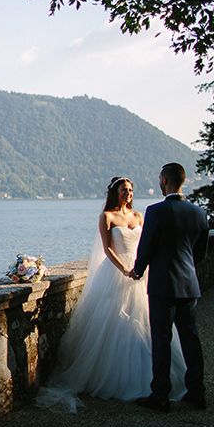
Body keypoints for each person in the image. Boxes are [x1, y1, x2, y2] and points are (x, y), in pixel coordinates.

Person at [35, 176, 186, 412]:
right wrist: (125, 270)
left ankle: (157, 381)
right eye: (124, 190)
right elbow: (106, 249)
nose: (128, 193)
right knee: (118, 323)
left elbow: (147, 244)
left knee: (147, 325)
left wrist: (141, 268)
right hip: (117, 272)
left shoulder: (138, 216)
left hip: (141, 272)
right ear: (115, 193)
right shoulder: (107, 217)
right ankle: (120, 378)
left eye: (131, 190)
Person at [129, 162, 209, 412]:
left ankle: (160, 395)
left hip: (163, 285)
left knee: (161, 339)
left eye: (159, 179)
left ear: (164, 180)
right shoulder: (199, 212)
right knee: (191, 339)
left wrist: (138, 269)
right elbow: (200, 252)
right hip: (189, 284)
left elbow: (146, 247)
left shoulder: (155, 211)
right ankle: (197, 392)